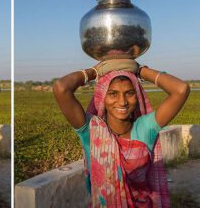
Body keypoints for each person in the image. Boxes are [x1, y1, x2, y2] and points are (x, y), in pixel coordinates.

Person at [53, 59, 190, 207]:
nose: (122, 102)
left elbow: (181, 89)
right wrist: (95, 72)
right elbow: (61, 88)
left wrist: (139, 70)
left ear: (137, 97)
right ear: (102, 98)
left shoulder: (145, 128)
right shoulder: (91, 131)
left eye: (129, 93)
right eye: (113, 94)